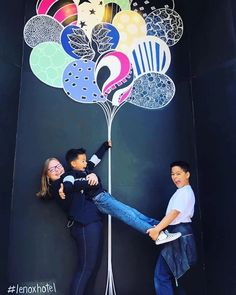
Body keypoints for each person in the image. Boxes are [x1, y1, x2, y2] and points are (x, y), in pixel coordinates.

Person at [147, 161, 197, 295]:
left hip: (178, 234)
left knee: (162, 276)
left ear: (187, 174)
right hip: (181, 234)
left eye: (179, 173)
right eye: (173, 174)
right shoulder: (182, 192)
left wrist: (157, 230)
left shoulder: (184, 192)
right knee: (177, 278)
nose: (175, 177)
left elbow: (174, 213)